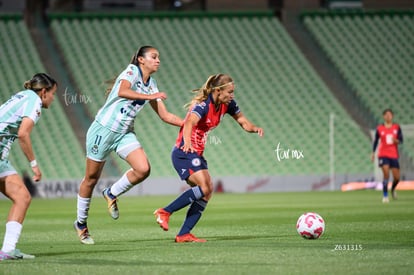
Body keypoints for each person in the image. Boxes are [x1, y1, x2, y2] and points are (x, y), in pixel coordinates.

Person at [74, 46, 183, 245]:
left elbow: (165, 115)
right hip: (103, 130)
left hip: (124, 133)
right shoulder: (131, 71)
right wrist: (150, 97)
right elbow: (124, 91)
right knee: (90, 179)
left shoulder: (152, 84)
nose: (158, 60)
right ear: (141, 60)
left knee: (143, 169)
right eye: (154, 57)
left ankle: (111, 193)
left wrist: (188, 124)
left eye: (159, 57)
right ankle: (81, 224)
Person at [154, 74, 264, 242]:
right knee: (205, 187)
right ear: (218, 91)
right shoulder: (203, 105)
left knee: (206, 192)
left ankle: (184, 234)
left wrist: (254, 128)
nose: (232, 95)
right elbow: (189, 122)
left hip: (196, 153)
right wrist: (188, 142)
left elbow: (242, 121)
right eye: (230, 92)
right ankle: (165, 211)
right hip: (184, 152)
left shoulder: (227, 104)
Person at [0, 73, 57, 260]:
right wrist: (34, 164)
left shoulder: (22, 95)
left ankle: (8, 250)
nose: (53, 98)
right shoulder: (34, 100)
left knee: (22, 197)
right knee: (22, 197)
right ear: (43, 92)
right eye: (53, 93)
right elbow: (24, 134)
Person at [371, 108, 403, 203]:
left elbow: (401, 140)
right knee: (386, 174)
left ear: (392, 116)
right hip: (383, 154)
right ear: (384, 116)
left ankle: (393, 189)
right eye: (386, 114)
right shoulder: (380, 128)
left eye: (390, 114)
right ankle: (385, 195)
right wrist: (373, 153)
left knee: (397, 178)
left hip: (393, 154)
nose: (388, 116)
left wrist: (396, 141)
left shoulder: (396, 127)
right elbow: (376, 141)